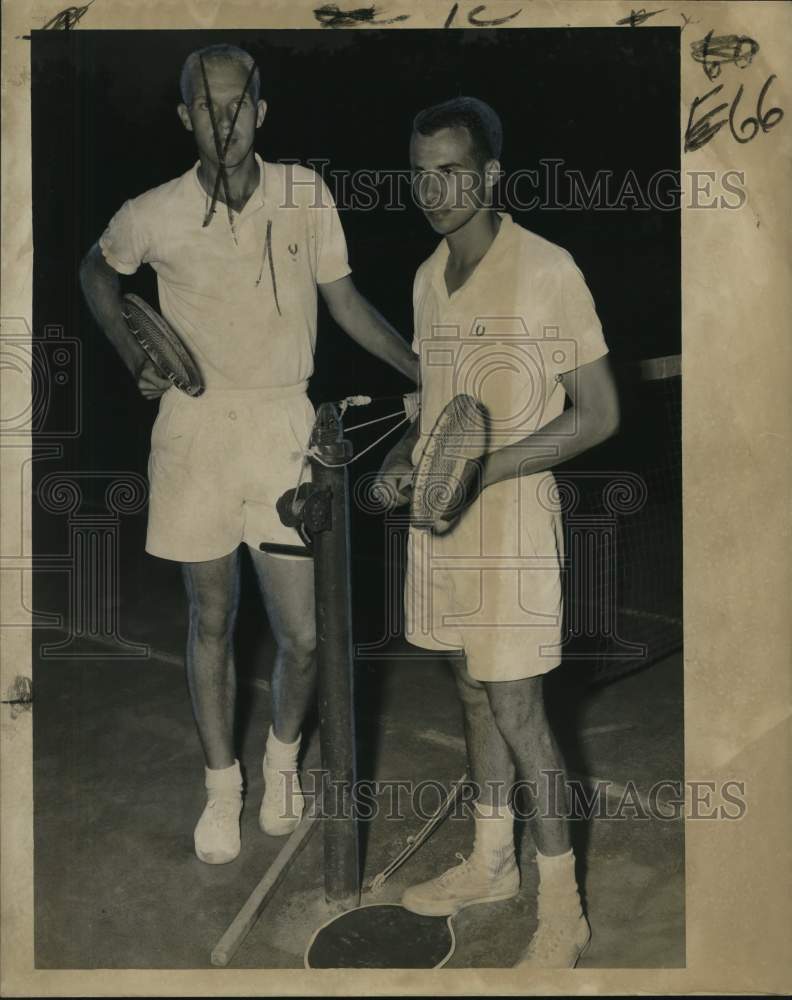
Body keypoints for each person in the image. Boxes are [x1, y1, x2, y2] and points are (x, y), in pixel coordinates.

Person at [79, 44, 418, 866]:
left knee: (303, 635)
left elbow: (344, 303)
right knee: (213, 619)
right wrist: (135, 360)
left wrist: (427, 371)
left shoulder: (305, 193)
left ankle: (279, 761)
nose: (223, 120)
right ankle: (221, 788)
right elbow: (96, 270)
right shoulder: (151, 211)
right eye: (206, 105)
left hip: (282, 427)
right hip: (194, 433)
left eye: (237, 105)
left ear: (260, 114)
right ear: (185, 116)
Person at [375, 96, 620, 967]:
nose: (433, 190)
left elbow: (598, 414)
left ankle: (565, 907)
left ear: (490, 176)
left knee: (519, 707)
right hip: (440, 524)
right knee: (472, 692)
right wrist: (411, 458)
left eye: (451, 172)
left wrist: (490, 469)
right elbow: (437, 409)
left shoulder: (548, 269)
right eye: (419, 174)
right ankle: (491, 864)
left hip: (512, 520)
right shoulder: (424, 277)